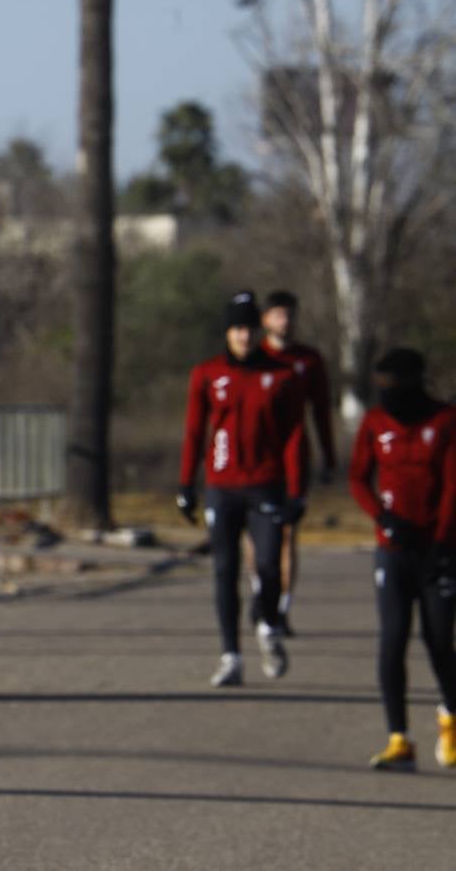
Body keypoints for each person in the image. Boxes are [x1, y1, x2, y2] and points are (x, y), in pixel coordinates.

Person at [177, 290, 305, 687]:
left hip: (265, 485)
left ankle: (268, 624)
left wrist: (297, 491)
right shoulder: (207, 374)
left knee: (268, 566)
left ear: (258, 330)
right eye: (236, 329)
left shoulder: (282, 376)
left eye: (249, 329)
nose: (243, 337)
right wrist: (186, 484)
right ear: (227, 333)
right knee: (224, 569)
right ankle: (230, 655)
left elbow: (295, 436)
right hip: (221, 486)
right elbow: (196, 432)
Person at [348, 347, 456, 771]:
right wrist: (382, 517)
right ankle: (399, 738)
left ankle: (450, 718)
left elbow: (452, 486)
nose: (387, 396)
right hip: (392, 549)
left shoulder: (445, 421)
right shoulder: (375, 422)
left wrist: (443, 544)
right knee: (392, 640)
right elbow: (358, 477)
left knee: (438, 640)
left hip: (438, 550)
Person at [259, 290, 337, 635]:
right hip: (255, 462)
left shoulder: (309, 360)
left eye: (289, 314)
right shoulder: (251, 356)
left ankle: (281, 607)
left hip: (293, 459)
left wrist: (328, 456)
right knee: (257, 539)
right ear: (265, 319)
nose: (285, 321)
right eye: (278, 314)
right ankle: (262, 594)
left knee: (288, 535)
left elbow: (321, 411)